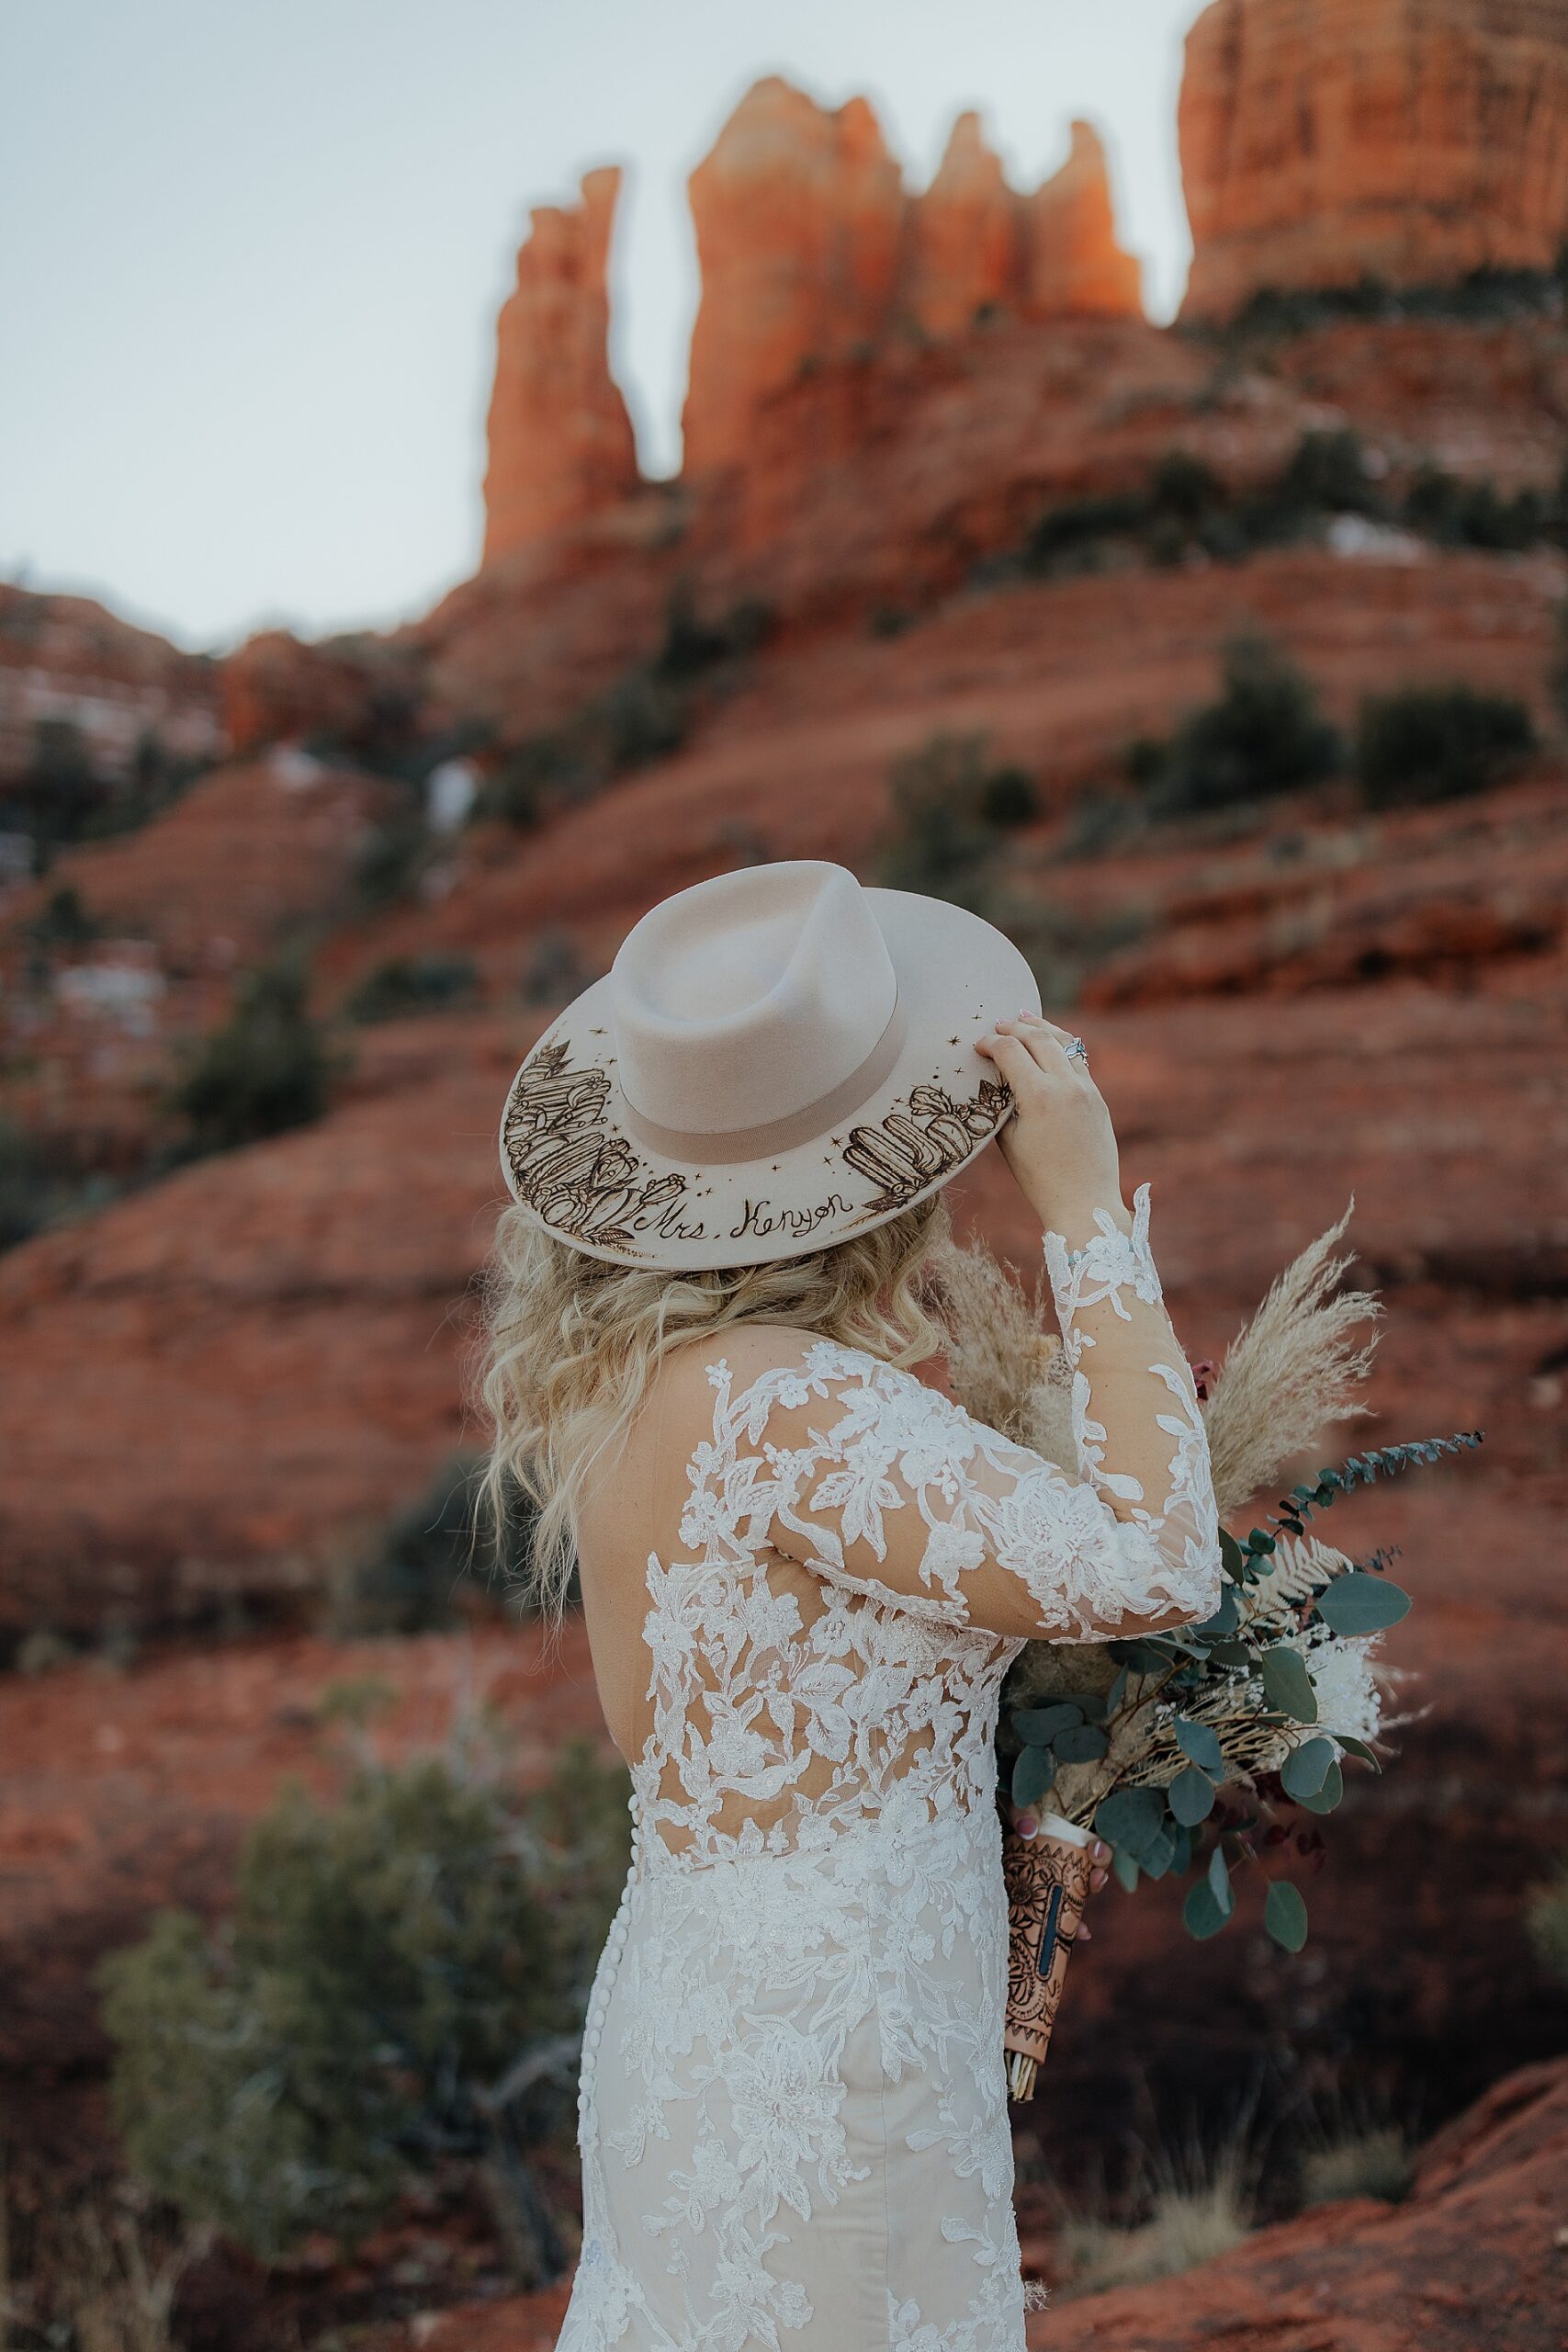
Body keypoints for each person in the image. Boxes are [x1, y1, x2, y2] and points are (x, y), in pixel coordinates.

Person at [481, 861, 1223, 2352]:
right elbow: (1160, 1561)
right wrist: (1085, 1210)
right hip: (834, 2043)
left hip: (701, 2000)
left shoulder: (637, 1404)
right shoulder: (793, 1408)